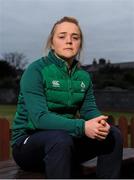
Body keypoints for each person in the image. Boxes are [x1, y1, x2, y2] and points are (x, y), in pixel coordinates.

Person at [11, 16, 123, 179]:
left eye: (75, 37)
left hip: (65, 142)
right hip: (28, 145)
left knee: (113, 134)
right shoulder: (35, 70)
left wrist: (100, 122)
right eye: (62, 36)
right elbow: (39, 118)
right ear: (52, 42)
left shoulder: (83, 76)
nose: (69, 41)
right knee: (59, 139)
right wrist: (83, 127)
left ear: (80, 44)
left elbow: (89, 109)